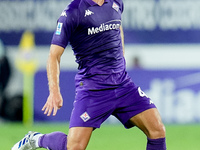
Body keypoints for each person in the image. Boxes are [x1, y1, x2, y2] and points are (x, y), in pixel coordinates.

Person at [12, 0, 166, 149]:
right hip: (94, 90)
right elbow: (54, 56)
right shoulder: (72, 12)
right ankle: (36, 140)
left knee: (157, 130)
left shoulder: (116, 2)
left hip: (123, 85)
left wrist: (121, 58)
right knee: (74, 147)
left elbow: (117, 26)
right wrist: (54, 91)